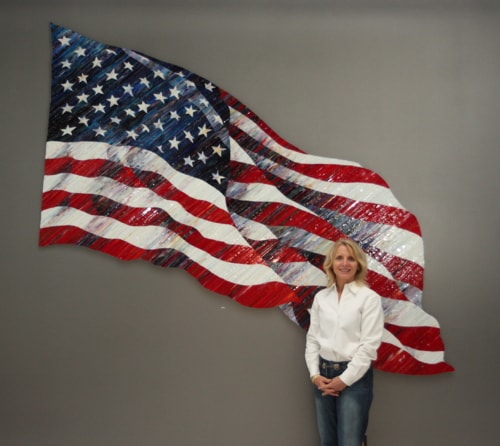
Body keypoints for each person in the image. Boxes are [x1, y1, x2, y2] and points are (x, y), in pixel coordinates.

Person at [305, 239, 385, 446]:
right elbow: (313, 339)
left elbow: (368, 347)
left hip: (355, 378)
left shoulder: (369, 298)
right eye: (339, 258)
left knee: (350, 441)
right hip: (323, 376)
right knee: (327, 441)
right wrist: (315, 375)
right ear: (331, 263)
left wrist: (344, 380)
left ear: (358, 264)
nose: (345, 263)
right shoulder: (321, 298)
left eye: (351, 258)